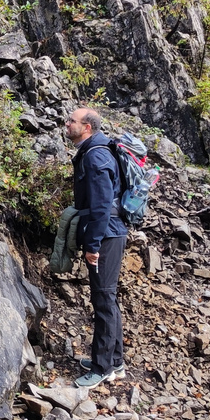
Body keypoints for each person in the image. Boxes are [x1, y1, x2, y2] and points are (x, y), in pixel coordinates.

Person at [64, 106, 128, 388]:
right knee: (107, 298)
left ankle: (102, 367)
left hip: (107, 235)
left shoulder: (97, 155)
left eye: (72, 121)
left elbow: (102, 204)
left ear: (87, 127)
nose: (67, 124)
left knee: (103, 300)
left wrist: (92, 245)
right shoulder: (95, 150)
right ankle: (115, 360)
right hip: (108, 232)